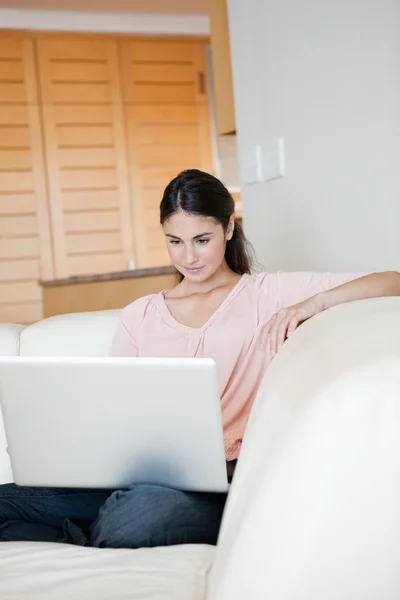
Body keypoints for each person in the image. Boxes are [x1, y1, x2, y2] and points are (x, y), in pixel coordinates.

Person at [0, 169, 399, 547]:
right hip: (142, 474)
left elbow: (392, 281)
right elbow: (118, 409)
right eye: (175, 241)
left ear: (228, 228)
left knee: (142, 516)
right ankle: (96, 527)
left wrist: (311, 304)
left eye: (201, 239)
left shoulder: (268, 294)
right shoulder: (140, 314)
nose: (188, 257)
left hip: (217, 485)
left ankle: (92, 529)